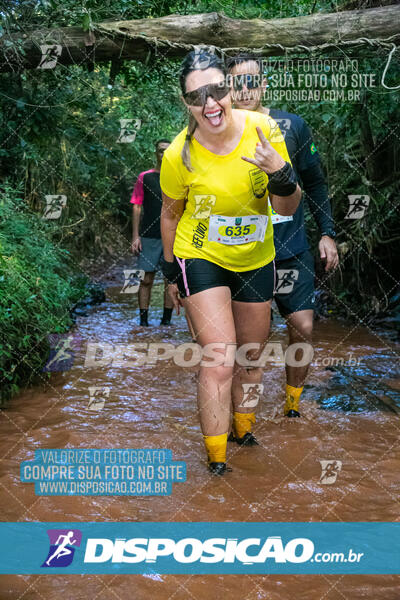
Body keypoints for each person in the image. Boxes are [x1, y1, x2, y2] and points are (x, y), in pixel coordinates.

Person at [159, 50, 301, 475]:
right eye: (196, 96)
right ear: (186, 103)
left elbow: (288, 206)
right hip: (200, 253)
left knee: (252, 356)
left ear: (231, 89)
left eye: (217, 90)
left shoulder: (263, 129)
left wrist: (282, 173)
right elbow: (170, 214)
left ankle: (243, 430)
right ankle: (217, 462)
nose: (209, 104)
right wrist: (171, 274)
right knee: (220, 357)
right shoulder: (178, 155)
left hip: (255, 256)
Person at [227, 54, 339, 419]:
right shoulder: (217, 129)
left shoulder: (293, 126)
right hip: (239, 252)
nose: (244, 90)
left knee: (302, 326)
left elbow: (316, 182)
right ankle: (243, 418)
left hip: (289, 246)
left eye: (251, 82)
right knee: (247, 343)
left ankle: (292, 404)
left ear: (263, 85)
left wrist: (327, 233)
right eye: (236, 83)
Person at [131, 139, 174, 326]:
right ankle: (143, 322)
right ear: (155, 153)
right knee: (146, 279)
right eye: (160, 151)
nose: (163, 154)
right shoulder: (145, 177)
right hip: (149, 235)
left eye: (167, 151)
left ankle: (166, 322)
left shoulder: (178, 177)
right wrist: (135, 236)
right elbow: (136, 206)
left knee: (170, 280)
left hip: (173, 236)